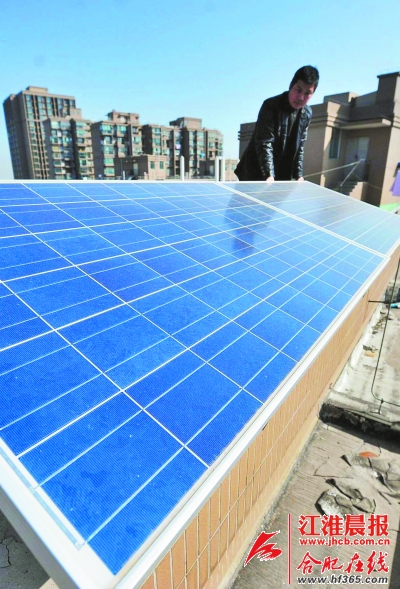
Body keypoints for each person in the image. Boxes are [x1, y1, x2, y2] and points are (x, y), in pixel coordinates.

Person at [234, 65, 319, 182]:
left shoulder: (307, 113)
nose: (301, 97)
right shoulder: (271, 106)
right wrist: (268, 175)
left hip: (281, 174)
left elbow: (300, 146)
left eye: (307, 93)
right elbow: (265, 142)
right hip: (255, 172)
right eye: (298, 90)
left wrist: (298, 175)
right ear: (291, 85)